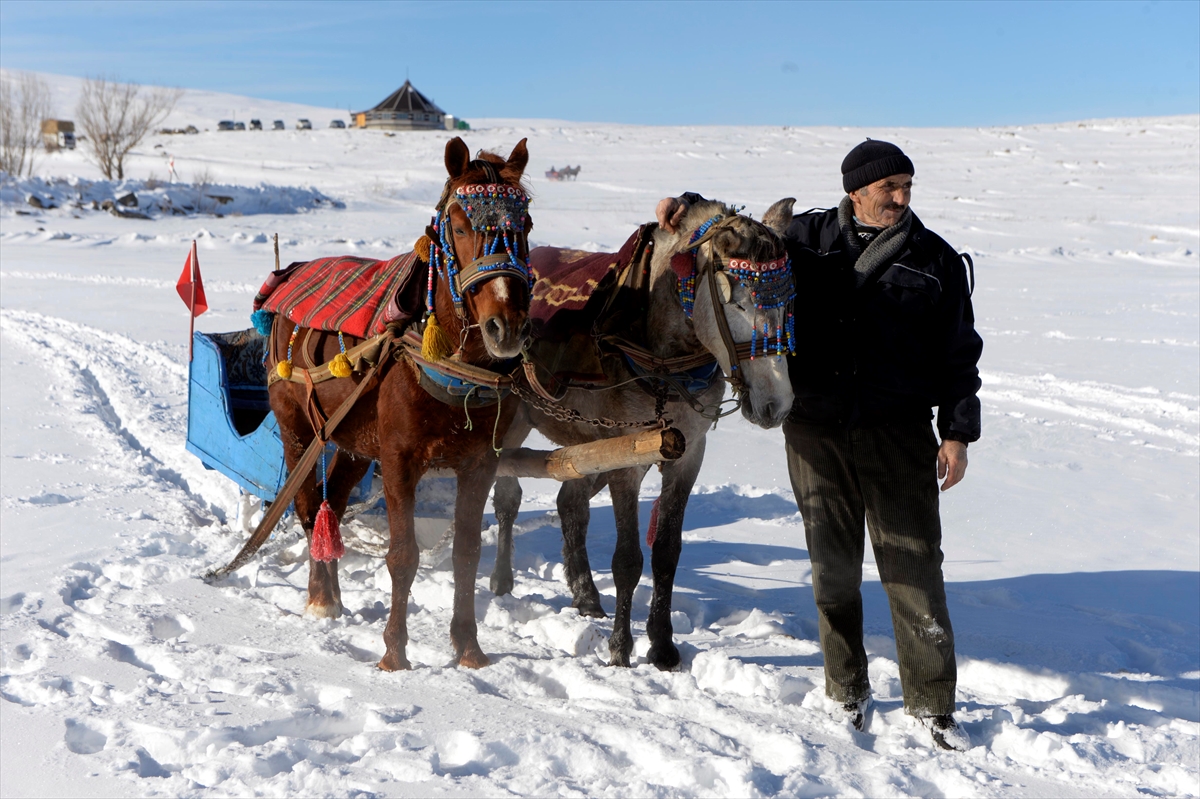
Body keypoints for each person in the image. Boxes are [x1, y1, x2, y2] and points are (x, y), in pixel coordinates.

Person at [656, 140, 983, 751]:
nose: (902, 198)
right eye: (890, 187)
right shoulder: (800, 242)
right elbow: (728, 231)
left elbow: (959, 354)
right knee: (832, 569)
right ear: (856, 189)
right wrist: (684, 206)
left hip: (899, 433)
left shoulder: (934, 259)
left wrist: (959, 431)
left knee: (913, 571)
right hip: (816, 430)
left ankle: (932, 708)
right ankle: (846, 692)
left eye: (908, 186)